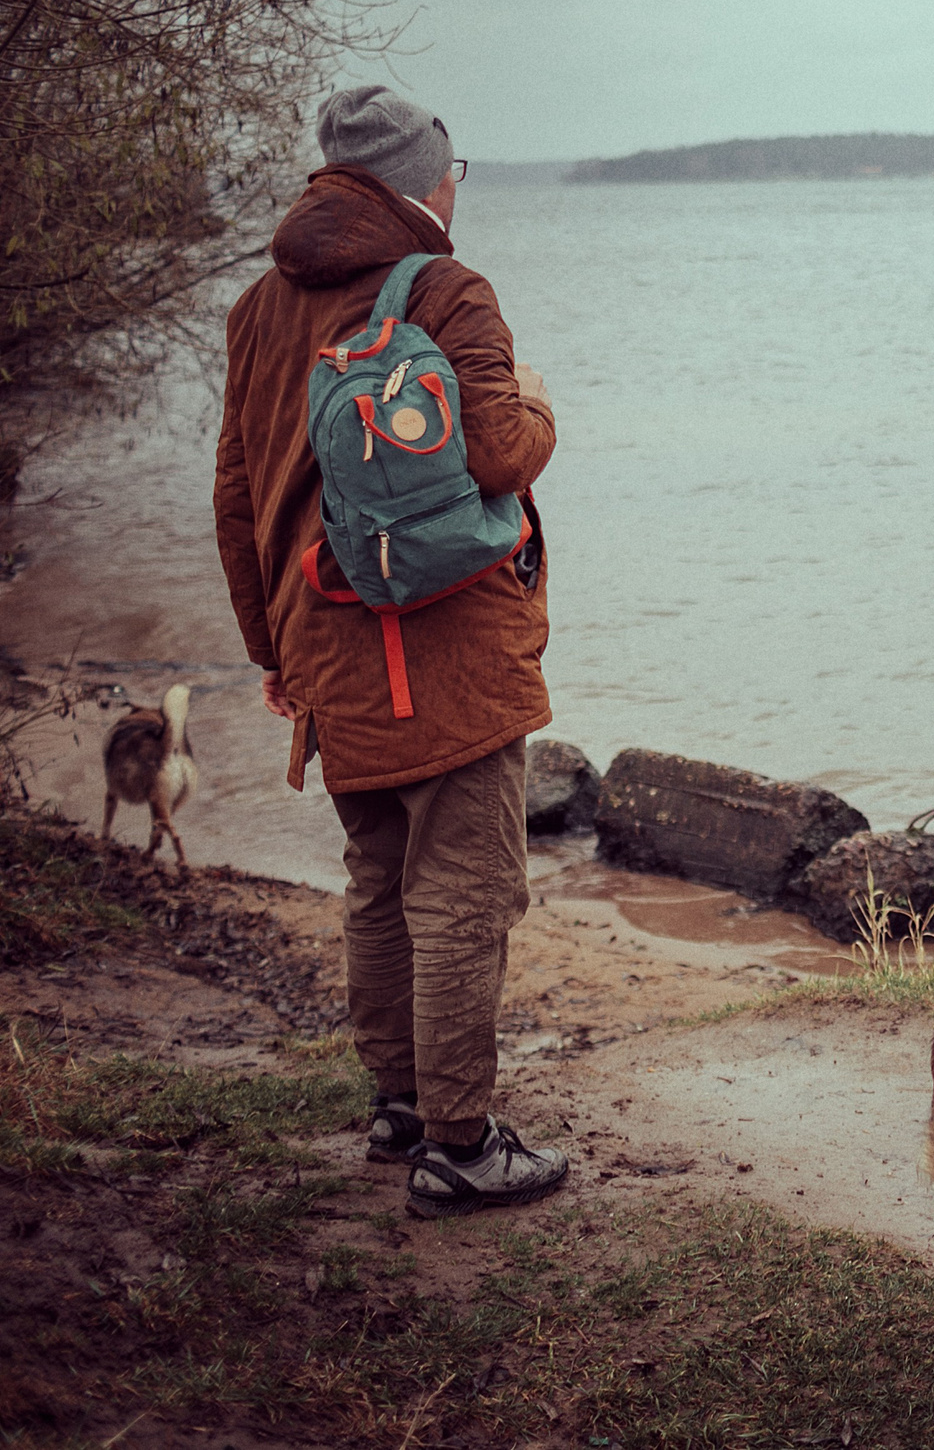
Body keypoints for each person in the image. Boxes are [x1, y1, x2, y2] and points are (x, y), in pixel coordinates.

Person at [213, 85, 569, 1218]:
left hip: (323, 643)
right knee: (465, 892)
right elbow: (501, 453)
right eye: (453, 169)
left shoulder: (259, 307)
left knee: (376, 879)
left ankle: (401, 1106)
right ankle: (461, 1144)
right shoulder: (447, 291)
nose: (457, 187)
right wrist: (540, 405)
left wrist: (272, 649)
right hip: (445, 650)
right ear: (423, 181)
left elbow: (237, 497)